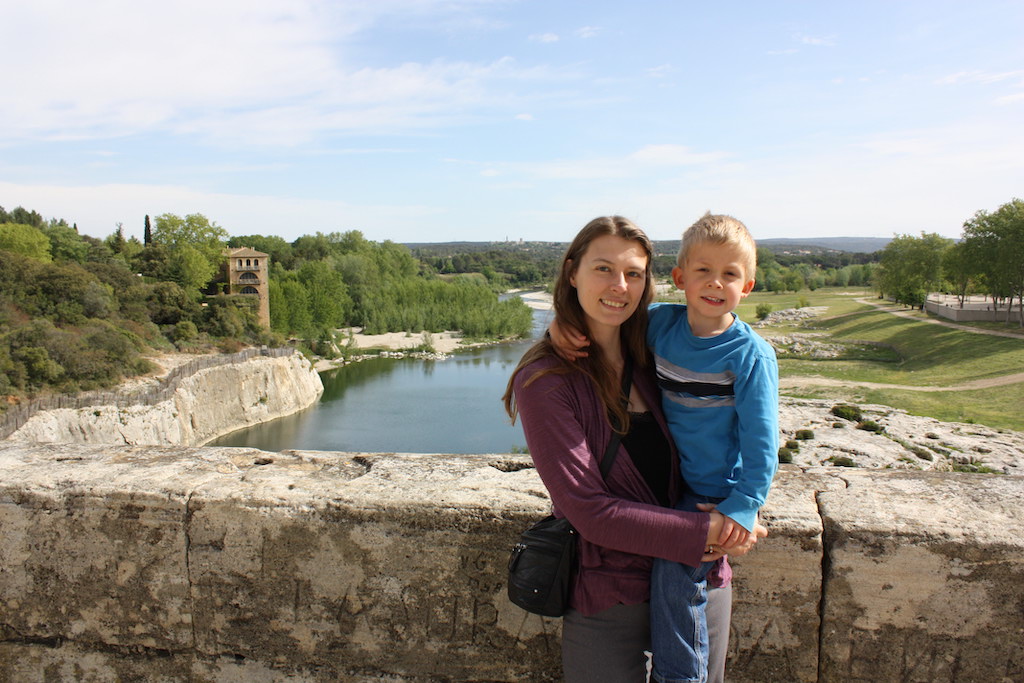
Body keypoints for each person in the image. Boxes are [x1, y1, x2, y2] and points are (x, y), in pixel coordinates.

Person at [503, 216, 766, 683]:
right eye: (602, 268)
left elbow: (744, 433)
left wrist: (734, 516)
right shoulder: (546, 381)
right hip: (610, 593)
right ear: (572, 273)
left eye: (635, 273)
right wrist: (707, 530)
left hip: (697, 579)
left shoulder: (654, 347)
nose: (619, 286)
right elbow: (588, 511)